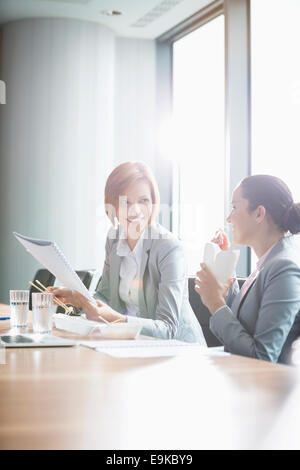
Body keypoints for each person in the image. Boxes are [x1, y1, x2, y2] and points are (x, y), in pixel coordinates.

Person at [51, 161, 206, 344]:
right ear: (113, 206)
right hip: (132, 344)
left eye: (143, 201)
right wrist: (79, 299)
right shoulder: (114, 239)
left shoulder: (168, 247)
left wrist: (116, 319)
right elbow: (106, 295)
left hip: (177, 351)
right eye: (126, 202)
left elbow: (168, 329)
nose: (135, 210)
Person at [195, 174, 300, 363]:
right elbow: (246, 320)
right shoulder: (270, 261)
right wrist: (225, 267)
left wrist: (214, 303)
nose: (228, 218)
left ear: (259, 213)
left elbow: (262, 357)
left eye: (234, 207)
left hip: (268, 388)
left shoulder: (284, 268)